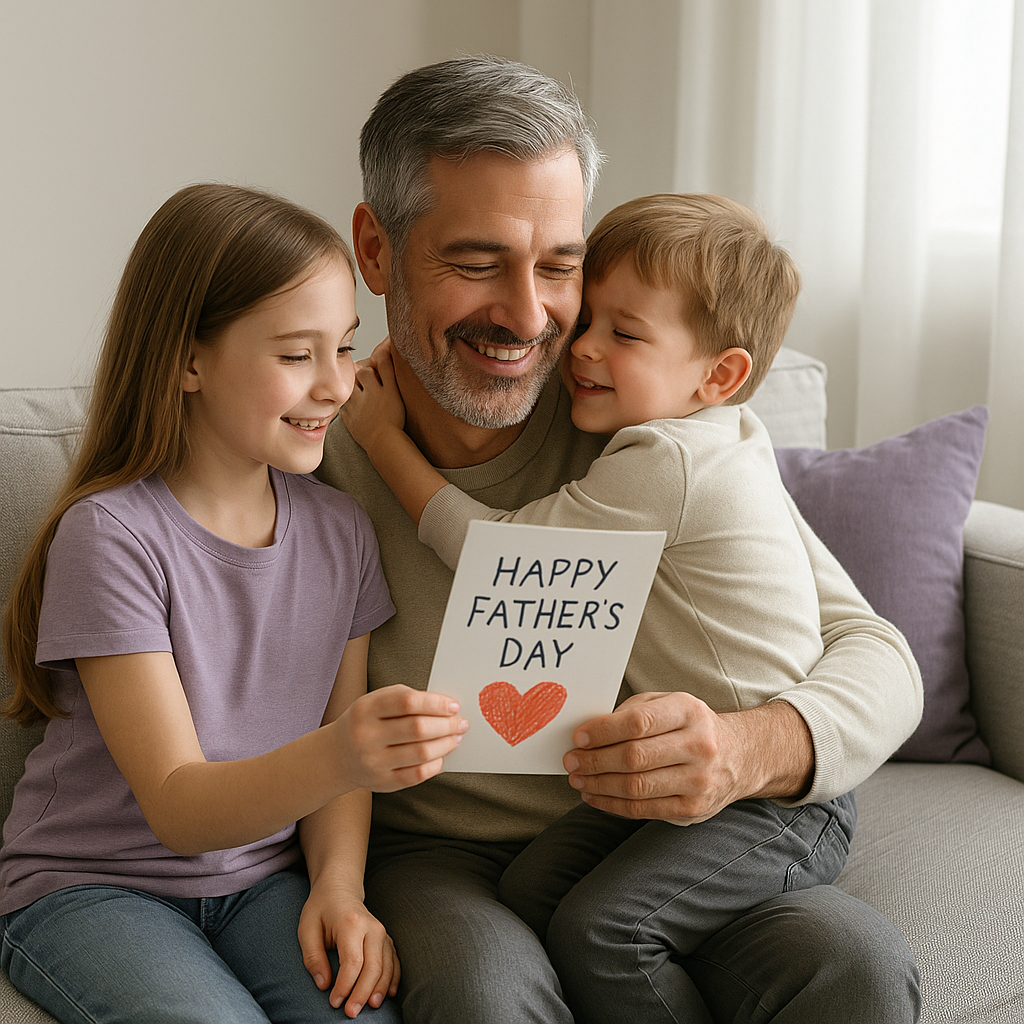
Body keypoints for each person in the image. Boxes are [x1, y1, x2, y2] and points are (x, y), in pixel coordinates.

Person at [316, 55, 924, 1023]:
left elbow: (874, 652)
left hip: (648, 832)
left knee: (846, 958)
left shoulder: (640, 423)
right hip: (436, 851)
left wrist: (743, 746)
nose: (529, 318)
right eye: (476, 262)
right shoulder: (314, 433)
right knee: (487, 993)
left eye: (560, 266)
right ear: (377, 250)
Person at [0, 183, 468, 1024]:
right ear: (187, 359)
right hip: (93, 889)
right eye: (296, 355)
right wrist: (346, 752)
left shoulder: (341, 531)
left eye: (347, 348)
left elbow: (337, 763)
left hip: (260, 884)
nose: (336, 386)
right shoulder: (110, 536)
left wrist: (339, 889)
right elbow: (180, 804)